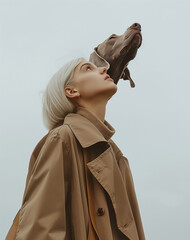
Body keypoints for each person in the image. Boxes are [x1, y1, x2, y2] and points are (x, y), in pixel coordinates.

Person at [13, 58, 146, 240]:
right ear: (71, 91)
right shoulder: (62, 139)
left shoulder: (117, 158)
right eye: (88, 68)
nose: (102, 71)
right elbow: (41, 230)